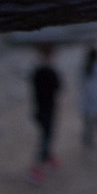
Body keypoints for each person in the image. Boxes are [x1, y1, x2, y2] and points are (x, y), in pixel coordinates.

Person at [28, 43, 62, 180]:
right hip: (46, 110)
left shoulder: (37, 71)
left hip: (42, 109)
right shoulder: (47, 71)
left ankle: (47, 158)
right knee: (45, 139)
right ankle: (36, 169)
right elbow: (58, 86)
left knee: (47, 136)